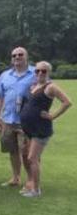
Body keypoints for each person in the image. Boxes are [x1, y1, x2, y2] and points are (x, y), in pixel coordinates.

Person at [19, 61, 72, 197]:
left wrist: (53, 115)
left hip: (41, 129)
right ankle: (31, 184)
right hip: (29, 129)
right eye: (37, 71)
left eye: (44, 71)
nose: (40, 73)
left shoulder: (51, 87)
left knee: (33, 157)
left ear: (49, 72)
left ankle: (36, 190)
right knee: (28, 156)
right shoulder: (34, 85)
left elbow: (67, 102)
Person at [0, 47, 35, 187]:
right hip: (8, 120)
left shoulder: (36, 73)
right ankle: (16, 178)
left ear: (26, 56)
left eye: (20, 55)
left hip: (27, 122)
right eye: (14, 55)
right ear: (11, 59)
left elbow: (47, 93)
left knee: (28, 153)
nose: (17, 57)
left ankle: (31, 180)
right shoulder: (5, 76)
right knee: (12, 151)